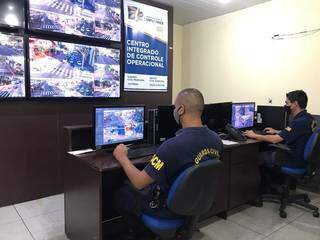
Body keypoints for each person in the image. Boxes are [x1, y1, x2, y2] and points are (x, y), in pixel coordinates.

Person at [112, 88, 223, 240]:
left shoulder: (171, 147)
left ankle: (144, 234)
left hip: (167, 208)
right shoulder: (216, 140)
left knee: (123, 193)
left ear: (181, 109)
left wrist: (122, 157)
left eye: (175, 107)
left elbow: (139, 182)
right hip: (195, 203)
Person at [244, 90, 316, 192]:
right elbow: (295, 133)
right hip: (302, 161)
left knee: (257, 157)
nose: (285, 105)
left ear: (295, 104)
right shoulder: (308, 118)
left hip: (292, 160)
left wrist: (254, 135)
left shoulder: (299, 122)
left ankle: (258, 193)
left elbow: (274, 140)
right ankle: (272, 187)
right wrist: (276, 131)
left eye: (287, 103)